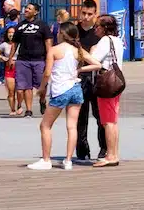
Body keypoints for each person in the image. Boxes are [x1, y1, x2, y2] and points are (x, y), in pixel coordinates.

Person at [27, 22, 101, 171]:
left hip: (61, 90)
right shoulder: (78, 50)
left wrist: (42, 88)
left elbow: (47, 73)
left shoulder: (54, 50)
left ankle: (46, 159)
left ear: (61, 33)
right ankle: (68, 160)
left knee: (45, 125)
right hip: (75, 89)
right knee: (72, 126)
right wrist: (79, 70)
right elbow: (97, 64)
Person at [89, 14, 126, 168]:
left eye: (97, 26)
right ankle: (114, 153)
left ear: (104, 28)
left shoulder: (104, 41)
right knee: (112, 120)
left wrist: (89, 51)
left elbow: (94, 59)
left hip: (106, 82)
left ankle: (110, 155)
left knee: (108, 121)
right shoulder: (117, 40)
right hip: (116, 81)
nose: (95, 29)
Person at [9, 2, 52, 118]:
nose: (26, 10)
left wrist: (49, 57)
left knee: (41, 85)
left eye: (29, 8)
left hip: (39, 60)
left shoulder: (42, 25)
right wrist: (11, 58)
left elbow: (48, 42)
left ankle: (42, 101)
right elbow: (14, 43)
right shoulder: (20, 26)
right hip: (23, 60)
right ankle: (29, 110)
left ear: (36, 12)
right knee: (26, 86)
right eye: (26, 8)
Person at [75, 0, 105, 162]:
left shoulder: (99, 33)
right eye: (83, 13)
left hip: (98, 77)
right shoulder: (75, 31)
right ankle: (82, 150)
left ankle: (104, 148)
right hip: (79, 76)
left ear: (95, 14)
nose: (85, 17)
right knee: (80, 116)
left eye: (89, 14)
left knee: (100, 115)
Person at [0, 26, 20, 116]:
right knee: (11, 91)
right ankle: (12, 109)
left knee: (20, 91)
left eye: (13, 32)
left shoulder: (20, 44)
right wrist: (3, 57)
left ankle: (19, 107)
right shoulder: (4, 45)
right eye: (9, 32)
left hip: (20, 67)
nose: (11, 34)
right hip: (9, 69)